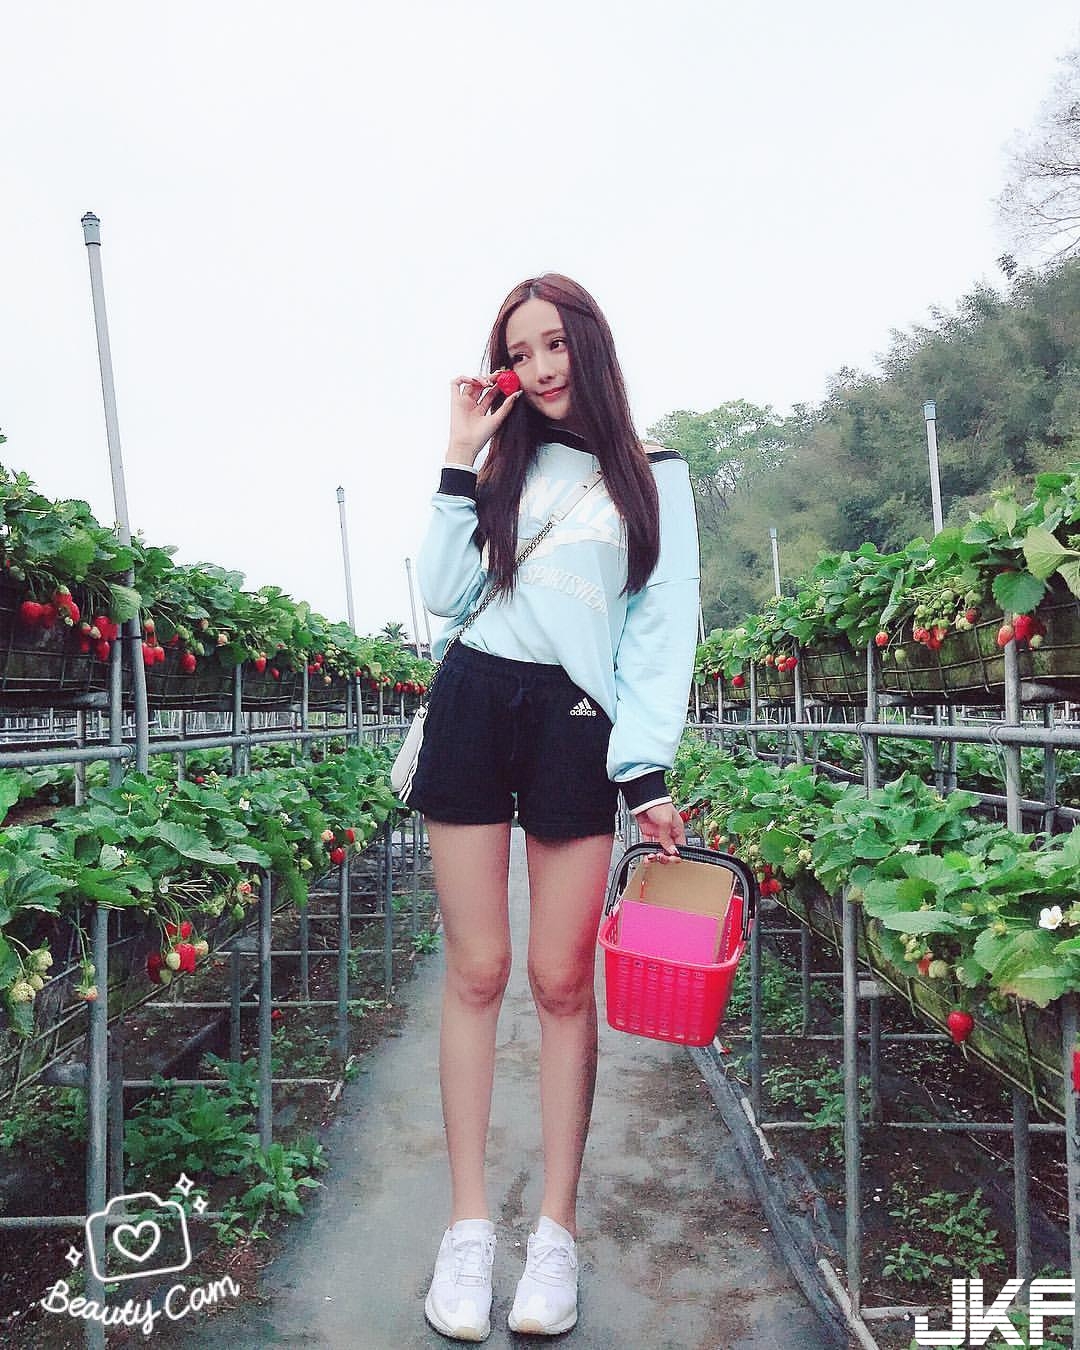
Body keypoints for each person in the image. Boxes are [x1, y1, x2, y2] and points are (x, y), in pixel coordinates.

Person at [407, 273, 700, 1340]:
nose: (538, 368)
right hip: (475, 697)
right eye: (519, 352)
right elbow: (442, 591)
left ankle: (557, 1234)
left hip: (577, 717)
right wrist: (459, 454)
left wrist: (647, 768)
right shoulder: (501, 462)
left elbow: (660, 627)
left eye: (553, 344)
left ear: (589, 342)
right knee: (479, 970)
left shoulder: (655, 477)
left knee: (562, 978)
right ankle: (468, 1228)